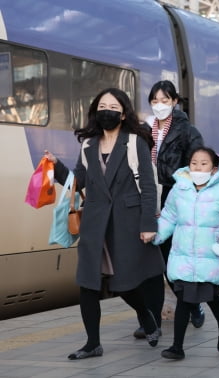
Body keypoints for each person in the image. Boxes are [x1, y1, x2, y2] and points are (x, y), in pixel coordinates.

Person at [43, 88, 164, 359]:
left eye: (112, 106)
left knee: (124, 283)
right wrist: (56, 166)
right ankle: (92, 343)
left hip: (126, 222)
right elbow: (79, 182)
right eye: (101, 106)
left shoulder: (134, 142)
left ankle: (145, 315)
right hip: (96, 224)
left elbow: (147, 185)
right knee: (88, 284)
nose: (106, 110)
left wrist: (148, 224)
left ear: (123, 113)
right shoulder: (89, 145)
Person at [153, 147, 219, 360]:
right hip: (184, 257)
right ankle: (177, 347)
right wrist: (156, 236)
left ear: (214, 169)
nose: (197, 167)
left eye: (203, 163)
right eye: (194, 163)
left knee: (212, 298)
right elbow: (168, 216)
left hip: (209, 258)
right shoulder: (180, 190)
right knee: (185, 300)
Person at [135, 80, 205, 339]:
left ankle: (193, 304)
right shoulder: (143, 130)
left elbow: (198, 164)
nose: (160, 106)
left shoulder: (187, 131)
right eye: (155, 101)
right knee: (146, 262)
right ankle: (149, 319)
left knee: (170, 261)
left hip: (172, 198)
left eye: (165, 100)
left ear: (175, 102)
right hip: (145, 197)